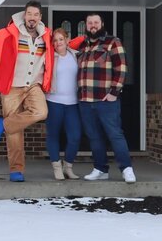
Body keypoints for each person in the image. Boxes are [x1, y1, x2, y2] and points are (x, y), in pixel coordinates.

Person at [0, 0, 53, 183]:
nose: (32, 18)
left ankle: (3, 124)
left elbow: (65, 42)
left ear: (40, 17)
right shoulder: (9, 33)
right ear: (25, 15)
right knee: (15, 132)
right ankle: (16, 170)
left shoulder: (47, 36)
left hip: (34, 85)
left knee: (41, 112)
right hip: (12, 86)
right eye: (29, 14)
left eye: (36, 15)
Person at [76, 13, 136, 183]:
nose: (93, 25)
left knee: (115, 134)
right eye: (89, 23)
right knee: (94, 136)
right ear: (86, 25)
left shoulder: (112, 42)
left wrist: (114, 92)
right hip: (85, 100)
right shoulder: (82, 46)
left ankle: (126, 169)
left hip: (105, 99)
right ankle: (100, 169)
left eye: (96, 22)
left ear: (101, 24)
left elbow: (121, 68)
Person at [45, 28, 82, 180]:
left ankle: (68, 167)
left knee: (75, 136)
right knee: (53, 135)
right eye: (55, 40)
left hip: (73, 103)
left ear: (67, 40)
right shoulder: (50, 57)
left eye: (61, 39)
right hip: (54, 102)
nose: (58, 42)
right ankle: (56, 167)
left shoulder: (76, 55)